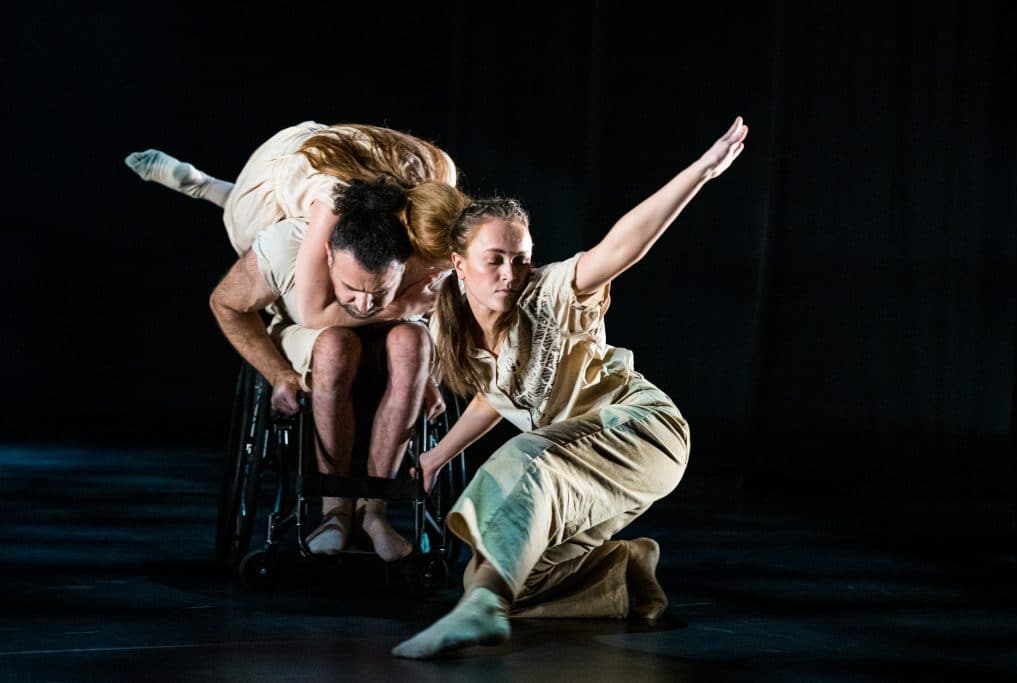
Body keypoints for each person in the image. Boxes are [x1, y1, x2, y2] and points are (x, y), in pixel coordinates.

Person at [391, 116, 748, 658]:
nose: (511, 273)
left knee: (525, 461)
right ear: (460, 266)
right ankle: (625, 577)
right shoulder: (452, 326)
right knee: (504, 568)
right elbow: (499, 393)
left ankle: (479, 613)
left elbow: (620, 248)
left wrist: (698, 174)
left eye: (520, 259)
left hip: (641, 429)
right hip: (580, 463)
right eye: (495, 261)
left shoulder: (552, 291)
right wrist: (439, 454)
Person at [125, 122, 468, 561]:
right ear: (327, 254)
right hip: (293, 177)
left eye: (377, 293)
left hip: (383, 180)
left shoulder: (428, 242)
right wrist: (279, 374)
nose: (363, 305)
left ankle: (375, 514)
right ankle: (334, 511)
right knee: (335, 342)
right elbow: (255, 307)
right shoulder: (301, 233)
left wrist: (429, 373)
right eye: (352, 289)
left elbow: (444, 315)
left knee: (410, 346)